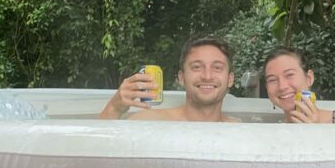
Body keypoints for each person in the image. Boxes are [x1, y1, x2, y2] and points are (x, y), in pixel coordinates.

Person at [99, 37, 238, 122]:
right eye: (197, 67)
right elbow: (98, 152)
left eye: (217, 68)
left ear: (230, 79)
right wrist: (114, 108)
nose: (207, 76)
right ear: (181, 78)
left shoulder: (240, 131)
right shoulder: (151, 122)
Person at [263, 47, 335, 124]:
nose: (282, 86)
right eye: (272, 80)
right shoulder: (271, 131)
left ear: (309, 78)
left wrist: (316, 131)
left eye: (289, 75)